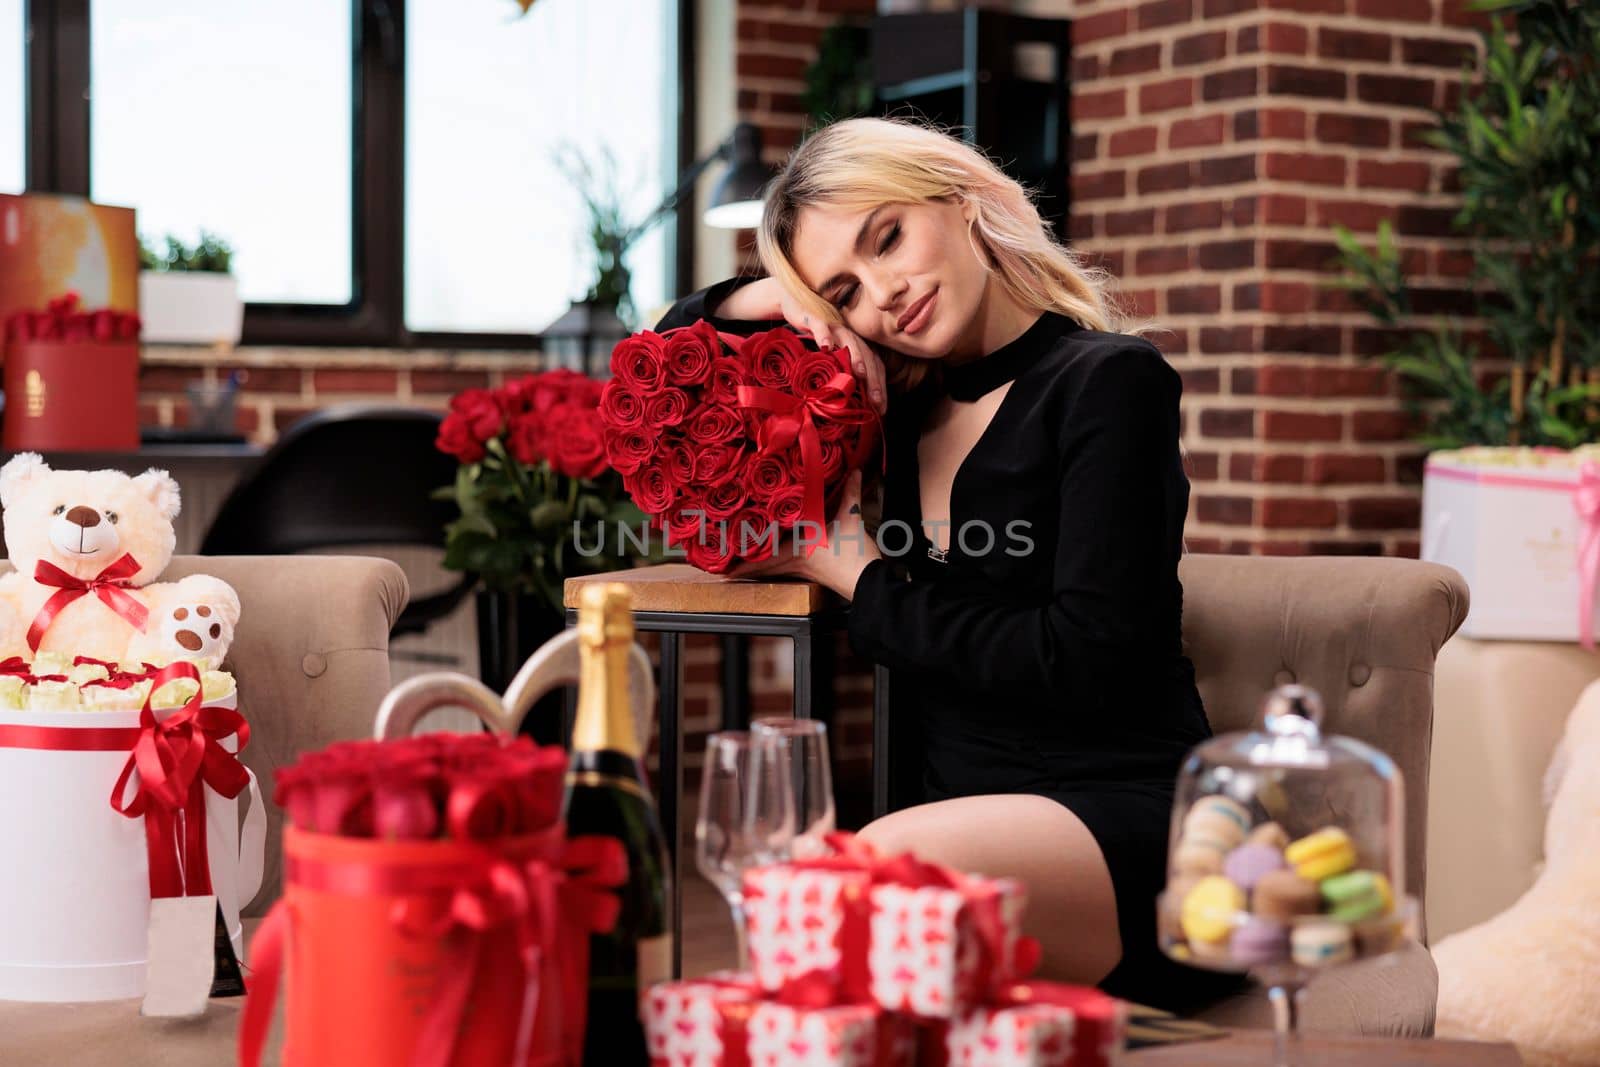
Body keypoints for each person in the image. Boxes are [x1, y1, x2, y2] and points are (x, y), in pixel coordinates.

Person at [654, 116, 1243, 1012]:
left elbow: (1087, 657)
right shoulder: (899, 414)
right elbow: (674, 346)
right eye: (846, 291)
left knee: (826, 897)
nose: (884, 294)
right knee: (825, 910)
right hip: (955, 817)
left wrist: (852, 571)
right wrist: (782, 305)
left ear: (959, 199)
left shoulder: (1110, 382)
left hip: (1127, 817)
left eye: (887, 237)